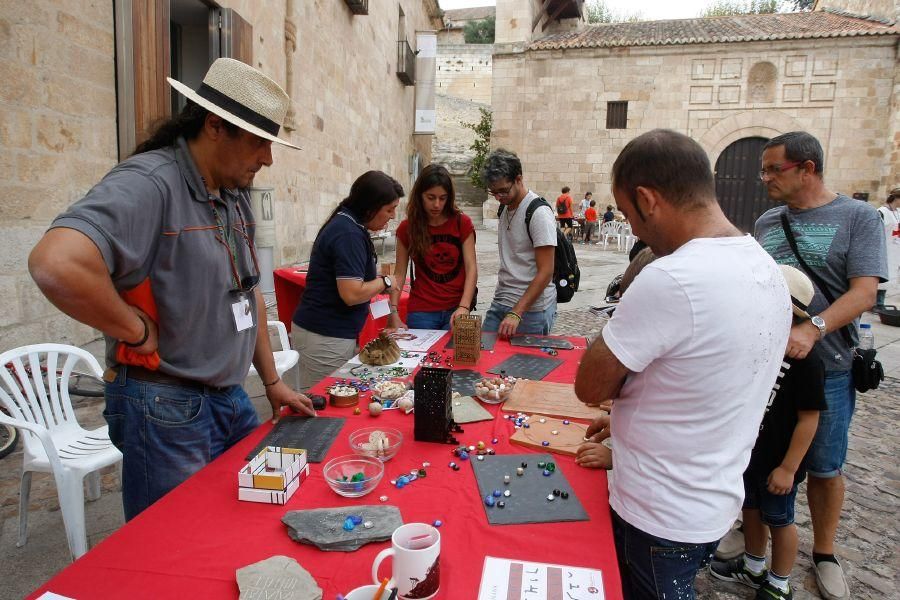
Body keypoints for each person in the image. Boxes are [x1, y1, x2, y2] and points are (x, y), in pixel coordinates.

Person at [27, 58, 315, 520]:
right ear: (216, 126)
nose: (268, 157)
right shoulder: (149, 183)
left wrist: (273, 382)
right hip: (165, 408)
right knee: (171, 541)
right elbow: (55, 263)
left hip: (228, 397)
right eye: (260, 142)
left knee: (238, 523)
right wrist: (133, 330)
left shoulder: (233, 193)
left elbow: (250, 295)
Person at [573, 129, 791, 600]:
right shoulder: (763, 265)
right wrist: (633, 417)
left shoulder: (671, 277)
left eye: (630, 215)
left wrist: (622, 313)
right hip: (710, 500)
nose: (632, 229)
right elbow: (705, 380)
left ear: (648, 199)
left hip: (659, 512)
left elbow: (590, 385)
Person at [753, 131, 887, 600]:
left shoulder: (858, 217)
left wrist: (814, 328)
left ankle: (825, 552)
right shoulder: (768, 220)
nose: (765, 177)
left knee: (826, 466)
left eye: (774, 169)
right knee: (755, 457)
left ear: (807, 168)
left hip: (827, 367)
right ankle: (750, 537)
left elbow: (865, 293)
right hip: (766, 368)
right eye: (764, 169)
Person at [710, 265, 827, 600]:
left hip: (780, 460)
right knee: (750, 511)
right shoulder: (758, 344)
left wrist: (789, 467)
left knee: (780, 519)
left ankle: (779, 582)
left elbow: (809, 419)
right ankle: (753, 565)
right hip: (751, 453)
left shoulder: (807, 360)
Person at [291, 171, 403, 390]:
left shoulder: (349, 225)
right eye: (389, 209)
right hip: (325, 336)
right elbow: (351, 294)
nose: (392, 216)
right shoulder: (348, 233)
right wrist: (386, 282)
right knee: (325, 400)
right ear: (371, 206)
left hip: (330, 333)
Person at [387, 164, 477, 331]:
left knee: (454, 357)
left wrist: (464, 307)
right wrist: (393, 311)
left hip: (456, 308)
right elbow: (399, 273)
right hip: (422, 312)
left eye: (442, 198)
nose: (437, 204)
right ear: (420, 196)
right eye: (431, 197)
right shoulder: (407, 228)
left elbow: (471, 268)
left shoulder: (462, 223)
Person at [482, 149, 557, 337]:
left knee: (525, 364)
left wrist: (517, 311)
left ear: (519, 179)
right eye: (494, 193)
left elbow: (546, 271)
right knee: (484, 357)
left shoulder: (538, 213)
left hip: (531, 310)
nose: (499, 197)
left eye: (503, 191)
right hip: (501, 300)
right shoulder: (505, 208)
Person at [876, 189, 899, 307]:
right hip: (884, 248)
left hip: (894, 249)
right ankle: (876, 302)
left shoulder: (898, 212)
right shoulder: (882, 212)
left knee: (890, 276)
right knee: (881, 275)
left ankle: (881, 301)